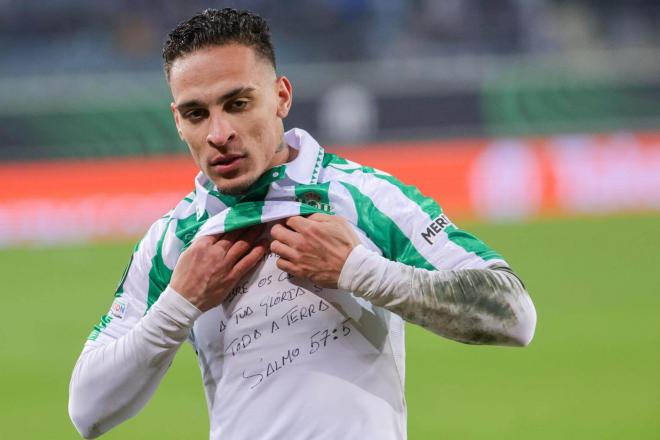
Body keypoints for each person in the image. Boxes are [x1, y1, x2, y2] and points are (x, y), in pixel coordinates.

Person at [68, 8, 536, 440]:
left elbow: (515, 315)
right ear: (177, 121)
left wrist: (358, 271)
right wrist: (178, 304)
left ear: (281, 97)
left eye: (237, 103)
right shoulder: (174, 242)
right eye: (196, 113)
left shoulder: (363, 197)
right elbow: (87, 411)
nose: (218, 134)